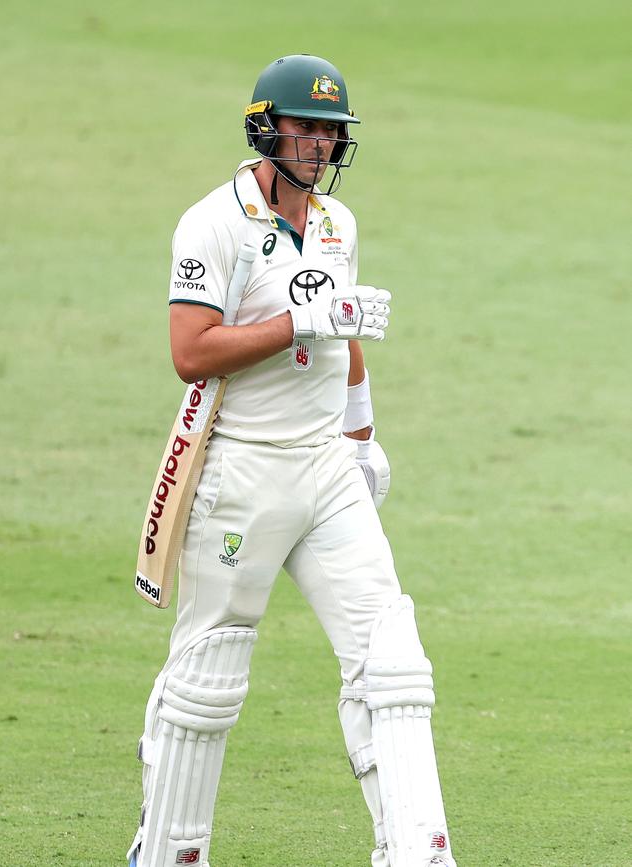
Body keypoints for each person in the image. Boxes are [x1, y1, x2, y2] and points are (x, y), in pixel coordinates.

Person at [127, 54, 457, 867]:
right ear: (266, 127)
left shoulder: (339, 225)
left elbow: (341, 335)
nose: (319, 144)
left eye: (331, 132)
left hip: (326, 471)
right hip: (242, 472)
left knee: (393, 661)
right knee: (208, 675)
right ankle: (167, 852)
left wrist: (362, 436)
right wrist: (294, 323)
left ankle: (418, 852)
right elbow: (190, 351)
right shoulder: (213, 222)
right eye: (305, 128)